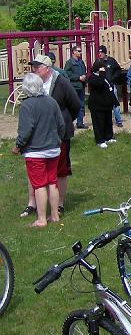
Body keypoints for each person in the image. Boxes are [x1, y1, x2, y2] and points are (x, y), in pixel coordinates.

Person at [26, 54, 79, 218]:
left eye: (37, 66)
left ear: (47, 68)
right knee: (35, 167)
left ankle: (59, 205)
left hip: (59, 134)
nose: (33, 69)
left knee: (61, 170)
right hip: (37, 134)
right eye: (33, 66)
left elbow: (75, 104)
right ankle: (32, 204)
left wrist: (64, 121)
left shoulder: (61, 82)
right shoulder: (34, 84)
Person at [12, 73, 65, 227]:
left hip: (36, 151)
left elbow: (26, 130)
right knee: (52, 182)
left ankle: (41, 219)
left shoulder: (27, 105)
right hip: (53, 149)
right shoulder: (51, 101)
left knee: (39, 184)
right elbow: (61, 124)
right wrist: (57, 140)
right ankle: (54, 215)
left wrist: (18, 146)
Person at [86, 59, 118, 148]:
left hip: (107, 104)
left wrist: (114, 101)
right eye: (102, 67)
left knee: (108, 122)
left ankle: (108, 137)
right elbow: (99, 84)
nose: (104, 69)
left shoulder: (104, 77)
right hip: (97, 105)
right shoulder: (92, 78)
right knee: (99, 123)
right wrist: (102, 74)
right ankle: (100, 140)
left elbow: (109, 87)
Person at [97, 45, 124, 127]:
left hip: (111, 86)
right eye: (99, 52)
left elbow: (118, 70)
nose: (100, 54)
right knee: (103, 104)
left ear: (105, 53)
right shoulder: (98, 62)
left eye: (101, 52)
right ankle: (106, 121)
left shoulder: (111, 61)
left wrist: (113, 78)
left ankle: (119, 120)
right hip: (102, 86)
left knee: (115, 103)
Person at [63, 45, 88, 128]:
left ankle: (80, 123)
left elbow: (84, 71)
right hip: (74, 87)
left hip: (81, 86)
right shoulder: (69, 62)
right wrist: (78, 77)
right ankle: (69, 123)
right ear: (73, 52)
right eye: (79, 51)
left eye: (80, 51)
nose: (80, 52)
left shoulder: (81, 62)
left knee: (81, 105)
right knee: (72, 105)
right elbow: (67, 74)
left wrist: (84, 76)